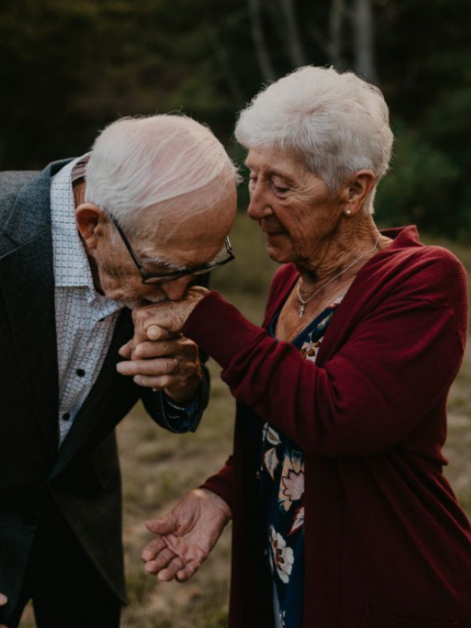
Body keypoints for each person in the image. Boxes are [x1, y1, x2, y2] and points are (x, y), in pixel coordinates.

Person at [0, 114, 240, 628]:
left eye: (198, 268)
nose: (179, 294)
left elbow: (173, 403)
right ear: (92, 226)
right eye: (162, 271)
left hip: (85, 527)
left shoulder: (160, 247)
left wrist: (182, 384)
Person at [134, 67, 471, 627]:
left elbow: (338, 417)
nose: (256, 206)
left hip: (393, 582)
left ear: (355, 190)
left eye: (282, 185)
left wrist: (206, 314)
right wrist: (221, 493)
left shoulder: (423, 279)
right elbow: (284, 423)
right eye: (254, 178)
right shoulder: (289, 283)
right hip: (291, 573)